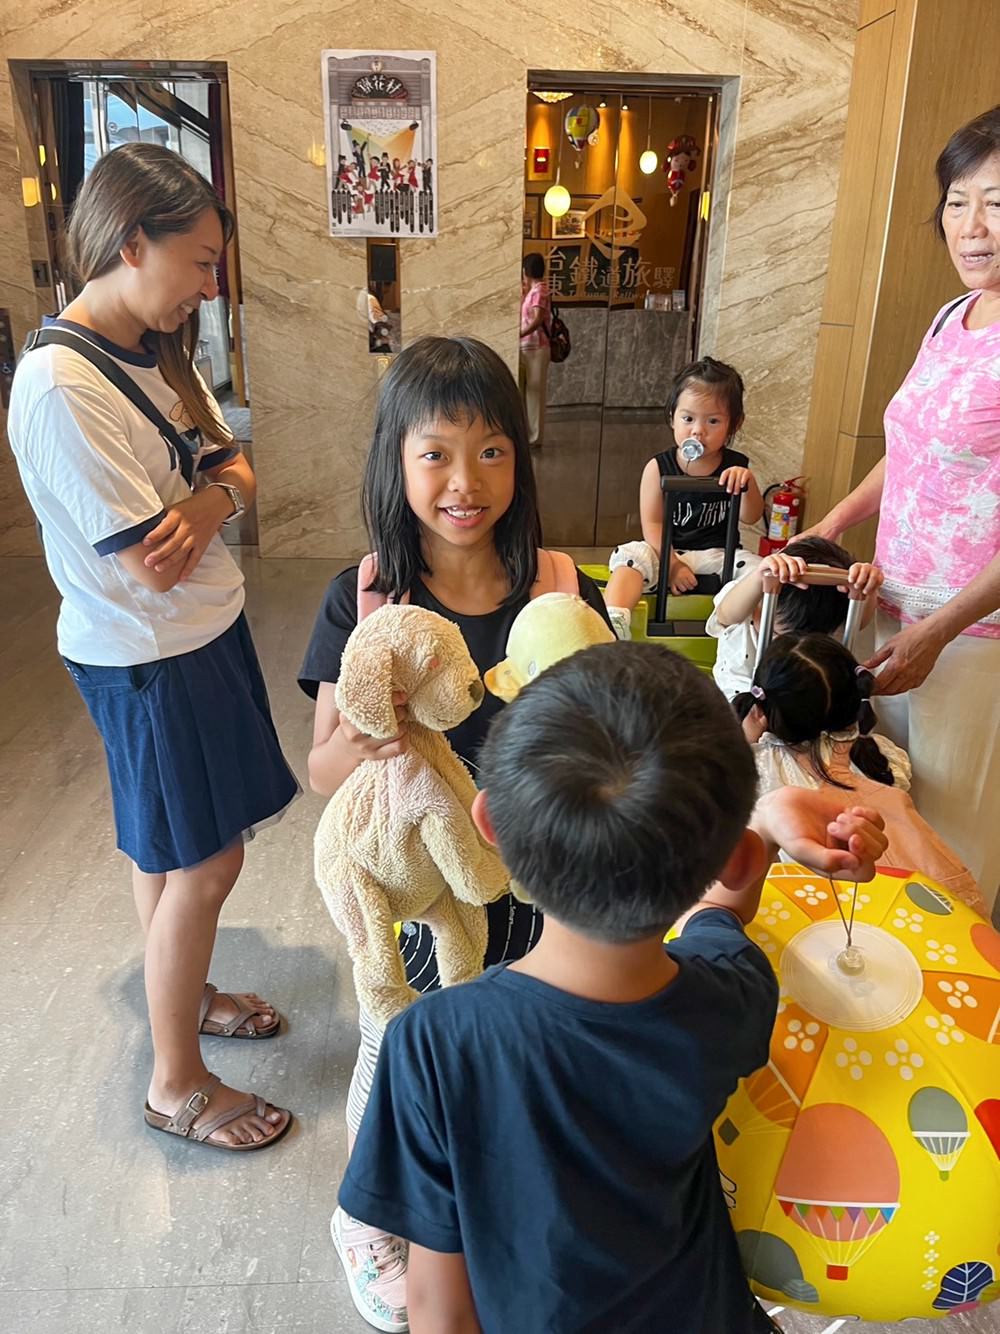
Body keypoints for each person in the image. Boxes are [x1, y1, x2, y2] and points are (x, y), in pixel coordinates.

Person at [339, 642, 889, 1334]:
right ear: (738, 855)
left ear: (490, 829)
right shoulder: (731, 998)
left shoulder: (435, 1042)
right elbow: (720, 910)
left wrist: (761, 832)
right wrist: (768, 826)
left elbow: (438, 1307)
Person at [298, 334, 613, 1331]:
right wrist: (372, 718)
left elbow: (609, 724)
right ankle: (369, 1212)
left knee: (516, 1052)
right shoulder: (366, 597)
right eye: (435, 452)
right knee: (401, 1046)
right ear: (395, 461)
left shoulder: (560, 580)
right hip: (420, 888)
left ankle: (488, 1192)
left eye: (490, 452)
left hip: (535, 886)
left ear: (519, 462)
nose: (464, 481)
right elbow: (319, 770)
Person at [7, 143, 298, 1150]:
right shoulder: (60, 386)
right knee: (205, 863)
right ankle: (175, 1081)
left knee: (170, 853)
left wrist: (210, 497)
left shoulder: (151, 351)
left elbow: (236, 474)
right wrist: (217, 495)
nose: (211, 287)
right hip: (150, 654)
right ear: (132, 240)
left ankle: (189, 990)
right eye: (202, 260)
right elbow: (156, 564)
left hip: (190, 639)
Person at [805, 106, 1000, 916]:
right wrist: (835, 522)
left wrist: (939, 630)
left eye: (997, 201)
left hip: (969, 641)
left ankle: (967, 1019)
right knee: (878, 810)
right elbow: (912, 447)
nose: (973, 226)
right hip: (885, 610)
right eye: (958, 201)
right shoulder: (951, 318)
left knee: (951, 844)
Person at [735, 635, 984, 913]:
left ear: (762, 709)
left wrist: (746, 737)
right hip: (928, 903)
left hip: (822, 909)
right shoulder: (879, 754)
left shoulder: (758, 765)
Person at [602, 357, 764, 642]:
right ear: (672, 417)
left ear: (734, 424)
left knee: (759, 573)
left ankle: (761, 638)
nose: (698, 431)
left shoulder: (735, 466)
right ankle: (612, 623)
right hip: (666, 549)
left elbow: (750, 516)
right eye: (688, 419)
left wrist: (747, 483)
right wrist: (672, 564)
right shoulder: (657, 467)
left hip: (719, 555)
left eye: (713, 421)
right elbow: (652, 523)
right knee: (630, 555)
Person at [708, 537, 883, 698]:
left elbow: (858, 621)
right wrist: (759, 578)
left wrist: (866, 587)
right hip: (739, 707)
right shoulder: (747, 598)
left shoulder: (828, 619)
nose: (790, 648)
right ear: (759, 601)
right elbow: (725, 616)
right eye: (777, 634)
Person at [519, 252, 551, 447]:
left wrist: (520, 333)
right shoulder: (532, 291)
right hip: (527, 347)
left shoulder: (540, 291)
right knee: (526, 391)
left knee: (535, 394)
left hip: (536, 347)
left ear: (525, 271)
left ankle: (535, 437)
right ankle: (527, 433)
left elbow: (538, 318)